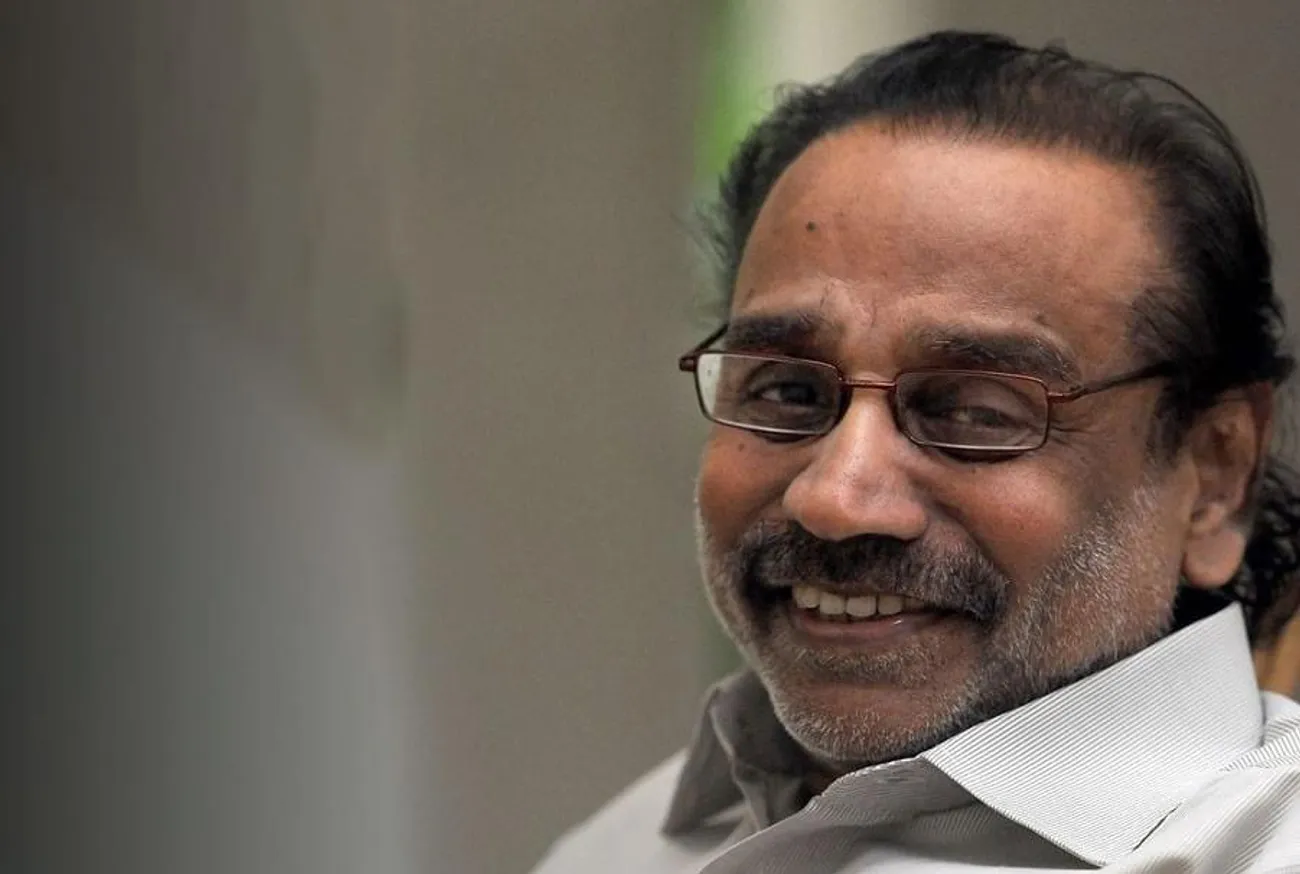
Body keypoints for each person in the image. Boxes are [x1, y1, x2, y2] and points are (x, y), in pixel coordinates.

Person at [533, 30, 1300, 873]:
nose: (835, 499)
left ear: (1215, 475)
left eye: (974, 410)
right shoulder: (615, 853)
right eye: (788, 392)